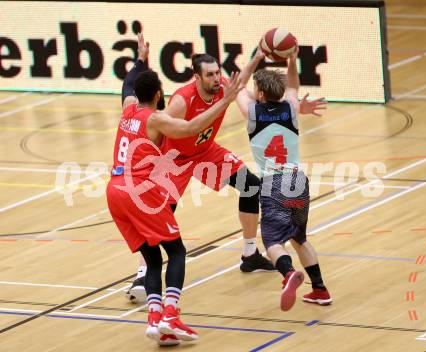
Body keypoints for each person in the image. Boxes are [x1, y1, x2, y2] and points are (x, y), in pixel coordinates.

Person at [107, 33, 244, 345]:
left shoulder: (128, 108)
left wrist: (141, 57)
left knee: (153, 259)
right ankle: (172, 314)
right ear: (158, 94)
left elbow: (128, 83)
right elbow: (193, 128)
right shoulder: (155, 119)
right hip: (139, 191)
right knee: (177, 251)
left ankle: (156, 321)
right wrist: (225, 100)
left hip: (113, 191)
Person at [126, 51, 278, 303]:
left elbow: (242, 80)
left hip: (206, 152)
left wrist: (258, 54)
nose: (216, 78)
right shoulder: (182, 101)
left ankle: (250, 255)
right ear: (196, 77)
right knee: (157, 214)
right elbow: (158, 127)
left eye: (218, 72)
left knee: (251, 186)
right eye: (210, 75)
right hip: (174, 159)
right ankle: (142, 275)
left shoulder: (223, 89)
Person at [235, 43, 332, 311]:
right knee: (299, 237)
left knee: (272, 242)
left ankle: (289, 273)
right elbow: (293, 85)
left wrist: (255, 58)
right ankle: (320, 289)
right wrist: (292, 59)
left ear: (261, 93)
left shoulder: (252, 113)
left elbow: (238, 87)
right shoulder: (291, 108)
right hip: (298, 181)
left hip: (273, 184)